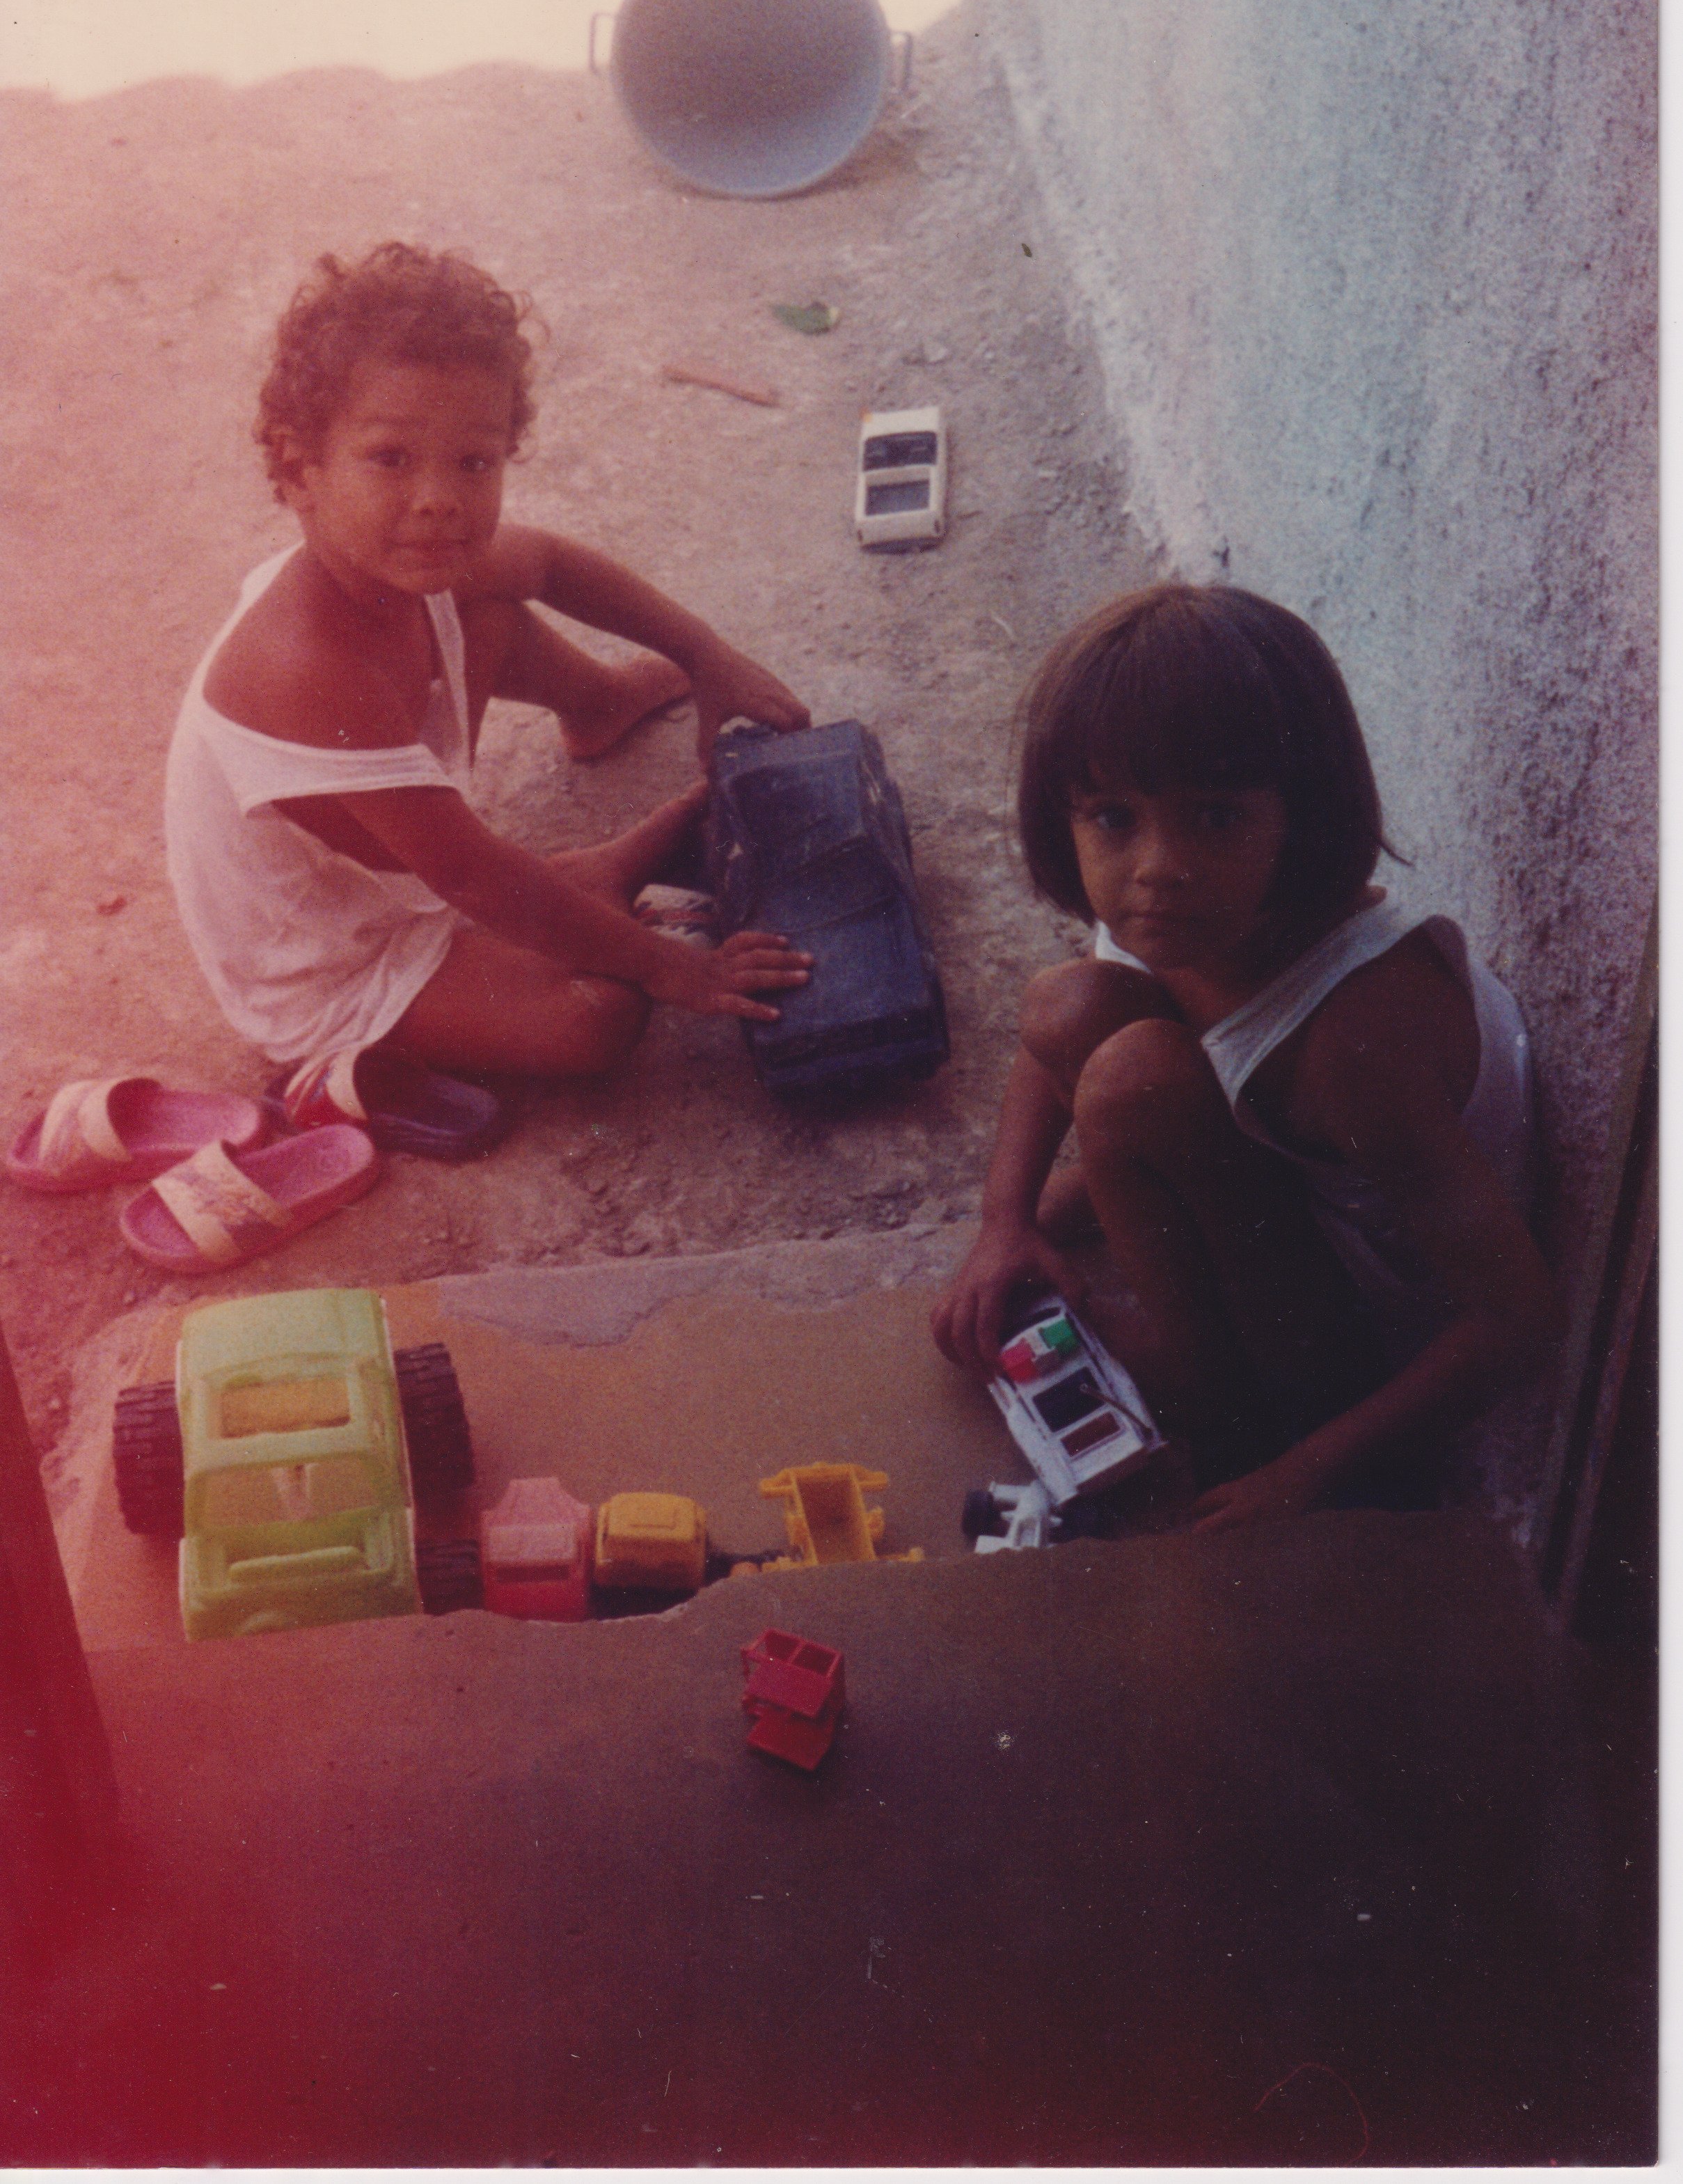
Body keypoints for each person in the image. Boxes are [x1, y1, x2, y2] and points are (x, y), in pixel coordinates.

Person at [931, 583, 1560, 1532]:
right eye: (1111, 816)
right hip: (1300, 1185)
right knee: (1070, 1002)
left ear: (1298, 814)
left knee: (1133, 1079)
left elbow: (1520, 1318)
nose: (1157, 864)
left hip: (1368, 1343)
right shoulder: (1198, 911)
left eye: (1215, 815)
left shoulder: (1356, 1044)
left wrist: (1301, 1471)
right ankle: (1069, 1235)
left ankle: (1219, 1404)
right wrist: (1006, 1220)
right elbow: (1049, 1037)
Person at [165, 242, 813, 1077]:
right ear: (300, 469)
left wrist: (702, 651)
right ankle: (585, 884)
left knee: (483, 609)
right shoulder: (306, 666)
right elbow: (471, 875)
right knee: (599, 1016)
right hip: (332, 963)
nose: (439, 499)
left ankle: (601, 705)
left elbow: (548, 563)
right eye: (391, 457)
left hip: (409, 864)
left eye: (474, 462)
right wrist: (670, 965)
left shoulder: (400, 552)